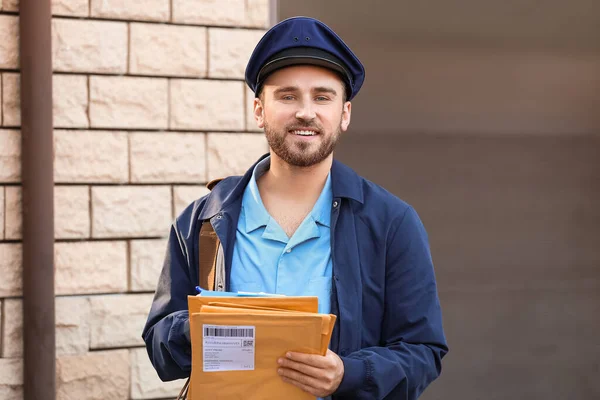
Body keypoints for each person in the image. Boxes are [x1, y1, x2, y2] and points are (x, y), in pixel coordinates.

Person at [142, 16, 448, 399]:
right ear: (259, 110)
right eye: (287, 96)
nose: (306, 112)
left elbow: (423, 352)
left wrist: (348, 374)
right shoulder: (203, 221)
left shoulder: (391, 223)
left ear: (345, 113)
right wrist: (200, 328)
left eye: (322, 96)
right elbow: (159, 345)